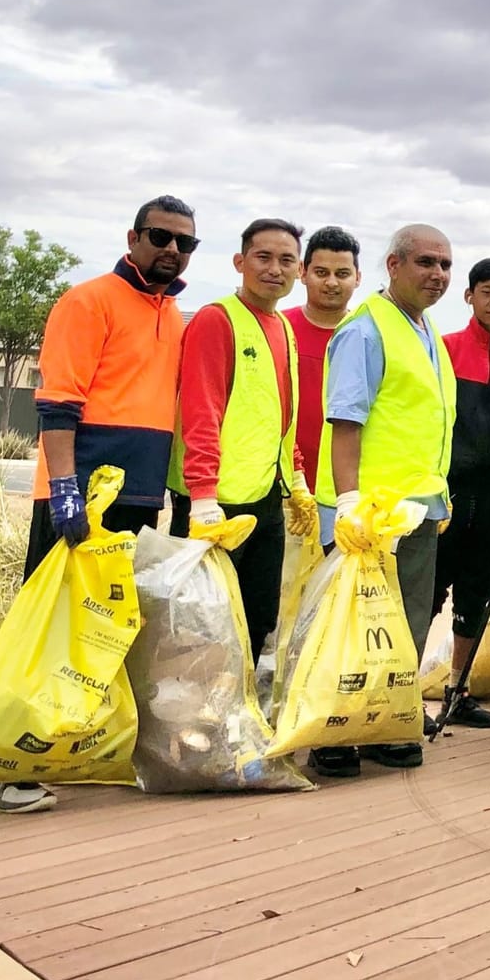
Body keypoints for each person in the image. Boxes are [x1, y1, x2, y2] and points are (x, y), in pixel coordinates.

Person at [0, 195, 196, 815]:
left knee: (105, 635)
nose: (172, 250)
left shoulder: (177, 315)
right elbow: (57, 405)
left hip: (136, 501)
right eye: (160, 237)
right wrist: (67, 489)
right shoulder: (88, 301)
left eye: (185, 242)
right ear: (133, 237)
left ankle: (76, 752)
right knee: (53, 633)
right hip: (78, 502)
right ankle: (5, 770)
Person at [313, 224, 457, 779]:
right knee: (353, 627)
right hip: (369, 515)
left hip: (418, 509)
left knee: (406, 623)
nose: (438, 274)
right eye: (426, 262)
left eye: (445, 264)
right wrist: (348, 501)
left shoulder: (424, 330)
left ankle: (383, 724)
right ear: (393, 265)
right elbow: (345, 420)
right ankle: (334, 734)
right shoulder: (366, 330)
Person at [171, 218, 316, 660]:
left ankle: (236, 720)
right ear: (240, 262)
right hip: (215, 508)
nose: (275, 269)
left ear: (300, 269)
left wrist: (297, 483)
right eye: (263, 257)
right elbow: (202, 410)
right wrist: (202, 497)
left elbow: (281, 418)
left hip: (264, 499)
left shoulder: (282, 327)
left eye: (286, 260)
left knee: (256, 620)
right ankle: (190, 727)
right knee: (202, 627)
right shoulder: (218, 320)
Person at [432, 256, 490, 731]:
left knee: (477, 593)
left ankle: (457, 691)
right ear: (469, 296)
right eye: (487, 292)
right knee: (427, 592)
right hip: (447, 488)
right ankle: (401, 692)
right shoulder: (444, 349)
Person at [284, 226, 361, 494]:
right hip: (286, 486)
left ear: (357, 277)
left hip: (350, 492)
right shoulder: (279, 328)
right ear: (302, 272)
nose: (331, 283)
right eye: (321, 273)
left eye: (342, 274)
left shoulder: (368, 336)